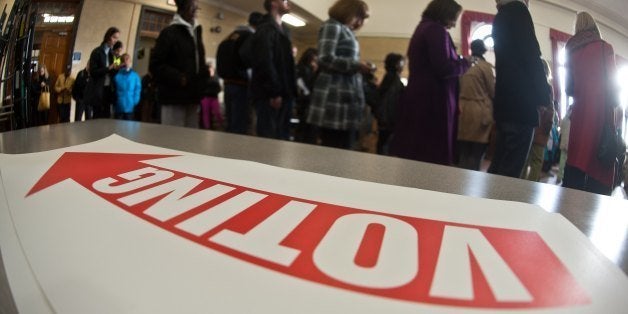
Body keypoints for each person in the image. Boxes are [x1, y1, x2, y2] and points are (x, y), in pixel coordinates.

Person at [390, 0, 470, 165]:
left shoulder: (424, 28)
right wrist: (465, 64)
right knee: (430, 156)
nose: (454, 25)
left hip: (423, 98)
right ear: (444, 13)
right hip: (433, 102)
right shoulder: (435, 30)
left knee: (416, 154)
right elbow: (444, 67)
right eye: (454, 18)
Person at [487, 0, 552, 178]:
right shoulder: (519, 12)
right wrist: (544, 96)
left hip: (504, 103)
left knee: (498, 166)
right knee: (510, 172)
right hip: (521, 105)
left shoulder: (500, 17)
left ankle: (485, 204)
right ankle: (500, 206)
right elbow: (531, 55)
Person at [562, 12, 619, 195]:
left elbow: (569, 89)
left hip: (580, 115)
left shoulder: (570, 50)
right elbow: (613, 86)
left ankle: (569, 207)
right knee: (599, 162)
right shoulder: (605, 48)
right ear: (594, 26)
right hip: (601, 114)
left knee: (576, 160)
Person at [307, 0, 371, 149]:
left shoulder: (346, 30)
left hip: (343, 101)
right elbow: (325, 58)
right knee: (333, 148)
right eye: (358, 17)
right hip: (333, 99)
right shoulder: (332, 25)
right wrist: (357, 65)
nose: (360, 22)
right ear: (347, 11)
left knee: (342, 149)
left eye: (362, 19)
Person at [150, 0, 208, 128]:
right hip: (174, 96)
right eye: (192, 6)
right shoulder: (169, 33)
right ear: (182, 7)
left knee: (190, 140)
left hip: (193, 96)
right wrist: (178, 77)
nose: (196, 9)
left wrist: (204, 78)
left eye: (196, 6)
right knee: (173, 140)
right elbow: (155, 65)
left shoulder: (196, 33)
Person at [248, 0, 297, 139]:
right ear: (274, 3)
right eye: (285, 0)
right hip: (270, 94)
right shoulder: (265, 29)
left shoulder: (284, 30)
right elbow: (265, 62)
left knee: (281, 138)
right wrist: (274, 92)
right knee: (269, 139)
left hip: (284, 93)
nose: (288, 2)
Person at [216, 11, 264, 134]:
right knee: (240, 125)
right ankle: (234, 152)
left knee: (230, 123)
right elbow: (248, 60)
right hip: (241, 86)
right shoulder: (249, 37)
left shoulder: (230, 36)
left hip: (227, 83)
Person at [456, 39, 494, 170]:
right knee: (476, 154)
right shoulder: (486, 67)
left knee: (463, 152)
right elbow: (492, 90)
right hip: (479, 111)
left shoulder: (463, 63)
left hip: (462, 109)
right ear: (484, 50)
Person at [521, 59, 555, 181]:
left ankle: (518, 189)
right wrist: (548, 125)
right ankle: (530, 189)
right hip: (541, 128)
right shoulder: (547, 87)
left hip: (528, 126)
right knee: (536, 161)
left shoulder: (528, 84)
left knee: (524, 160)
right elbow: (551, 109)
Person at [85, 27, 121, 119]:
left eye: (117, 38)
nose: (115, 40)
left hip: (109, 89)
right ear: (108, 36)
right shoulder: (96, 52)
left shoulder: (112, 54)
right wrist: (108, 68)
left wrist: (117, 68)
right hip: (98, 89)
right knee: (97, 116)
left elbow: (114, 71)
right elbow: (93, 72)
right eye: (114, 37)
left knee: (107, 116)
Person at [375, 53, 405, 155]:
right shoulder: (393, 78)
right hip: (389, 120)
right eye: (402, 63)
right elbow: (391, 101)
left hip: (385, 119)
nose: (403, 65)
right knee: (385, 146)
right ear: (396, 64)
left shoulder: (389, 77)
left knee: (383, 143)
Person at [113, 54, 142, 120]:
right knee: (117, 127)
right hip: (119, 106)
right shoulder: (117, 76)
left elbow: (137, 89)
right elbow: (114, 90)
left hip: (130, 105)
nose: (126, 62)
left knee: (128, 127)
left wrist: (135, 101)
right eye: (124, 60)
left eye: (127, 59)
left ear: (130, 61)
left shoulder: (135, 76)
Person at [200, 64, 223, 130]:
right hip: (206, 97)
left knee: (217, 112)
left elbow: (219, 88)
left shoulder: (215, 78)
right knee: (206, 113)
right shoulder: (204, 78)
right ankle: (207, 127)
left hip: (213, 97)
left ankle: (221, 124)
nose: (210, 70)